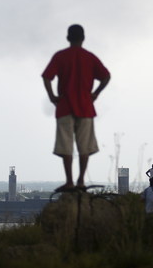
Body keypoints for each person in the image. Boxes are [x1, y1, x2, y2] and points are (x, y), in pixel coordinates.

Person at [42, 24, 111, 191]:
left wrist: (52, 97)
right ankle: (80, 181)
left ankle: (70, 181)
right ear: (83, 38)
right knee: (84, 146)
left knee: (65, 145)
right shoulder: (89, 57)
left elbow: (47, 77)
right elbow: (106, 76)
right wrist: (95, 94)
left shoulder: (60, 56)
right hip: (85, 107)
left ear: (68, 38)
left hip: (65, 106)